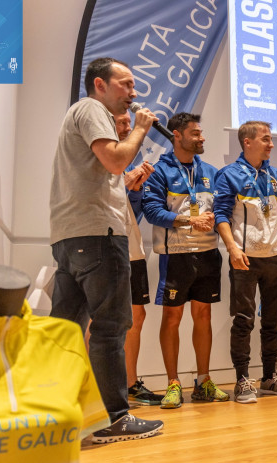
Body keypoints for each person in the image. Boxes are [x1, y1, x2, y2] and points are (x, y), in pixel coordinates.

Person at [49, 57, 163, 442]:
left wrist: (127, 179)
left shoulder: (81, 113)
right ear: (100, 84)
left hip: (71, 237)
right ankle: (114, 417)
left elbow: (106, 171)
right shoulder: (92, 108)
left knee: (66, 330)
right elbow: (115, 159)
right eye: (126, 85)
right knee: (111, 328)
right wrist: (142, 130)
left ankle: (57, 414)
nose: (133, 93)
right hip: (98, 236)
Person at [142, 112, 230, 408]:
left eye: (201, 133)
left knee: (203, 316)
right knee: (172, 317)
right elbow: (152, 211)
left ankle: (203, 381)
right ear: (177, 135)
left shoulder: (212, 171)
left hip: (208, 255)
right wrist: (187, 221)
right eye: (195, 133)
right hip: (175, 256)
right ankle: (173, 383)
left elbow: (221, 211)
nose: (201, 137)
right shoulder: (160, 171)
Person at [213, 121, 277, 404]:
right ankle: (242, 379)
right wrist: (232, 248)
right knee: (244, 320)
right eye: (266, 139)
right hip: (245, 259)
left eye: (271, 139)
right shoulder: (229, 175)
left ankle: (270, 376)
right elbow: (221, 215)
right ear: (247, 142)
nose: (271, 144)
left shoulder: (275, 176)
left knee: (271, 322)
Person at [112, 111, 163, 405]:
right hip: (106, 246)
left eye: (129, 125)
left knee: (136, 317)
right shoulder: (97, 154)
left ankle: (131, 383)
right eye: (122, 123)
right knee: (100, 319)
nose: (127, 129)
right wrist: (123, 182)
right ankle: (95, 385)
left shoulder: (126, 161)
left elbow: (130, 208)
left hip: (132, 247)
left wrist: (135, 187)